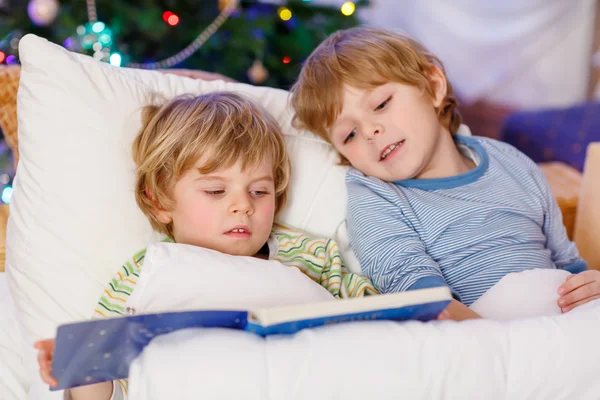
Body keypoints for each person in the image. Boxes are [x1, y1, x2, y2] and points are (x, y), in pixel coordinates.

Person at [34, 92, 377, 400]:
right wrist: (81, 367)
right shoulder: (144, 275)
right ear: (160, 202)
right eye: (216, 191)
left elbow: (377, 321)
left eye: (259, 191)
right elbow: (112, 387)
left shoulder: (311, 254)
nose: (243, 205)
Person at [289, 26, 600, 321]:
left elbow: (569, 266)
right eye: (349, 135)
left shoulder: (509, 161)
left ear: (433, 86)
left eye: (381, 104)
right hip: (486, 338)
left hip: (566, 323)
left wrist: (590, 287)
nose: (370, 131)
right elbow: (421, 299)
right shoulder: (376, 196)